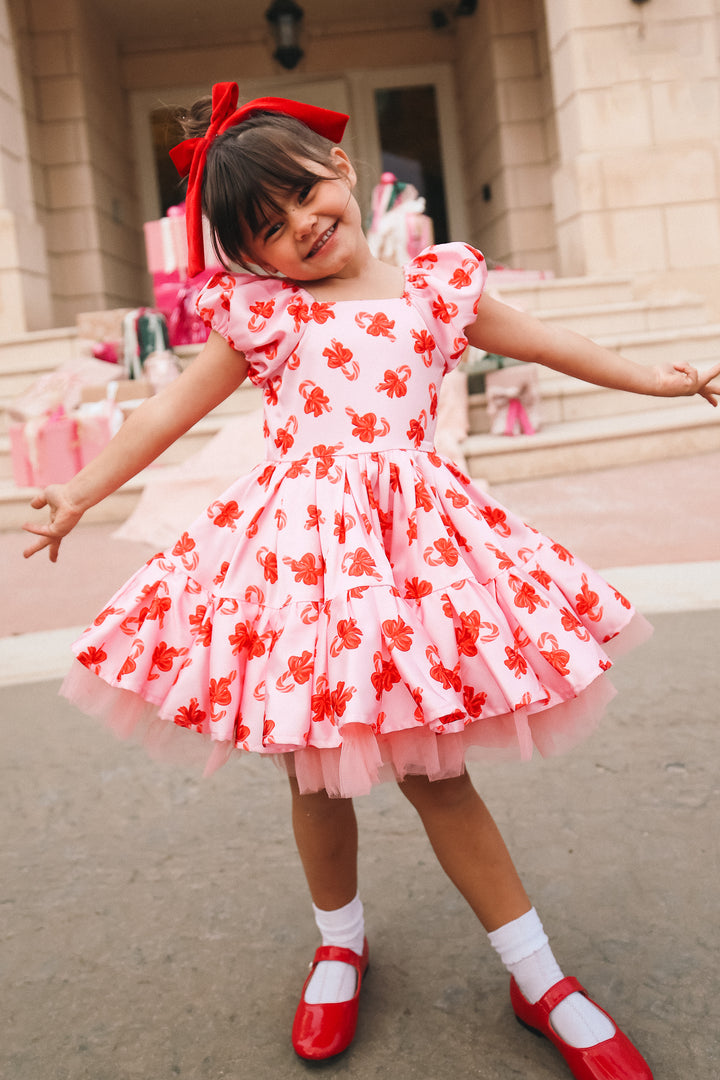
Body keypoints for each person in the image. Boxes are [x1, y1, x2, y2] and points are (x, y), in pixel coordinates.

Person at [23, 83, 719, 1077]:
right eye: (266, 229)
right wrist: (80, 492)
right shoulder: (266, 320)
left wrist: (661, 380)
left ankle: (541, 978)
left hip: (414, 565)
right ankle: (339, 944)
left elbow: (550, 342)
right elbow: (161, 414)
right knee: (314, 767)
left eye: (304, 196)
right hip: (302, 568)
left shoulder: (437, 290)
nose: (300, 228)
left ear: (344, 170)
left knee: (438, 774)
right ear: (247, 257)